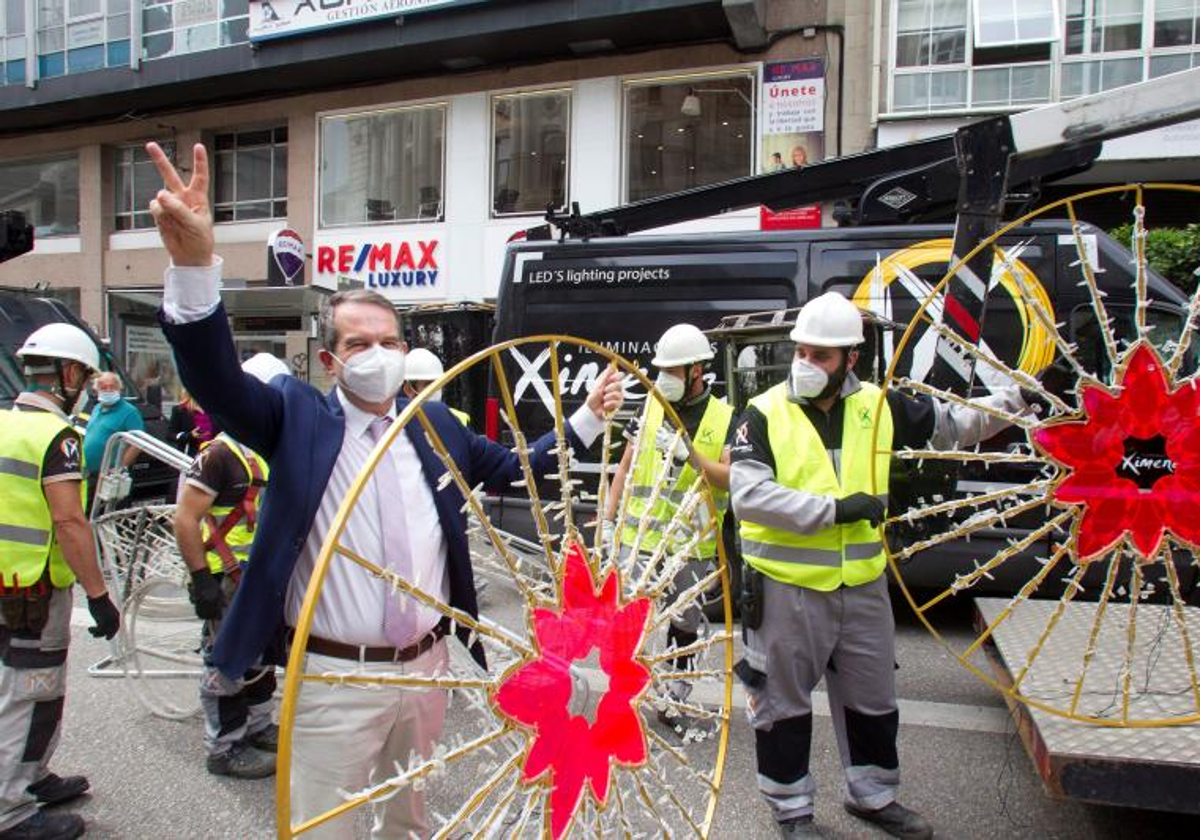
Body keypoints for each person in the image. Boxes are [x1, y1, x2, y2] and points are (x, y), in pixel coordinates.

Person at [145, 141, 625, 839]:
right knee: (324, 828)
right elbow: (217, 382)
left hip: (427, 670)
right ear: (330, 359)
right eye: (359, 344)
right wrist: (193, 268)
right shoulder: (296, 417)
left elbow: (519, 467)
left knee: (410, 820)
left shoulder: (434, 423)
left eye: (389, 341)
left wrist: (585, 419)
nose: (377, 355)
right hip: (335, 678)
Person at [730, 292, 1035, 839]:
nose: (805, 363)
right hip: (785, 589)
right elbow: (749, 497)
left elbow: (956, 425)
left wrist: (1019, 399)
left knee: (872, 701)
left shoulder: (879, 405)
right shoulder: (763, 412)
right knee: (781, 707)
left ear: (851, 358)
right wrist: (835, 511)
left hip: (863, 587)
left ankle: (872, 797)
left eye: (820, 355)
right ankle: (792, 810)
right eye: (800, 351)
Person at [0, 323, 121, 840]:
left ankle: (31, 775)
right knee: (31, 692)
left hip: (6, 583)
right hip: (35, 589)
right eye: (87, 378)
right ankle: (11, 811)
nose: (90, 388)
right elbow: (70, 523)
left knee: (14, 688)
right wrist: (99, 596)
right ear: (69, 374)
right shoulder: (58, 437)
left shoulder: (3, 422)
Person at [604, 324, 734, 731]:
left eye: (673, 370)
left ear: (697, 370)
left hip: (690, 548)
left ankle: (673, 696)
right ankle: (622, 698)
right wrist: (607, 523)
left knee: (685, 627)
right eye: (661, 369)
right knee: (627, 624)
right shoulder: (650, 408)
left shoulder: (724, 417)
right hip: (637, 539)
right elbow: (624, 468)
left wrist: (689, 455)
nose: (663, 379)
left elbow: (729, 477)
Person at [173, 354, 290, 781]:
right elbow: (185, 518)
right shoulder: (220, 455)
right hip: (228, 580)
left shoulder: (265, 452)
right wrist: (201, 578)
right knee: (225, 662)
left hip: (260, 578)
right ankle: (224, 747)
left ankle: (258, 727)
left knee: (260, 657)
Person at [83, 372, 144, 478]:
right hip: (89, 473)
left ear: (119, 389)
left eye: (112, 387)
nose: (108, 390)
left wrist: (119, 468)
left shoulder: (130, 411)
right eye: (103, 387)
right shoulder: (97, 408)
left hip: (109, 475)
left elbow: (138, 443)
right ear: (96, 391)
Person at [402, 348, 470, 426]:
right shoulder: (397, 425)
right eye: (428, 385)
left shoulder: (458, 419)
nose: (435, 390)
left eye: (438, 384)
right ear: (408, 390)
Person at [167, 388, 210, 457]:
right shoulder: (180, 410)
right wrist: (190, 435)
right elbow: (170, 435)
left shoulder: (215, 410)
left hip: (214, 456)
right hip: (192, 457)